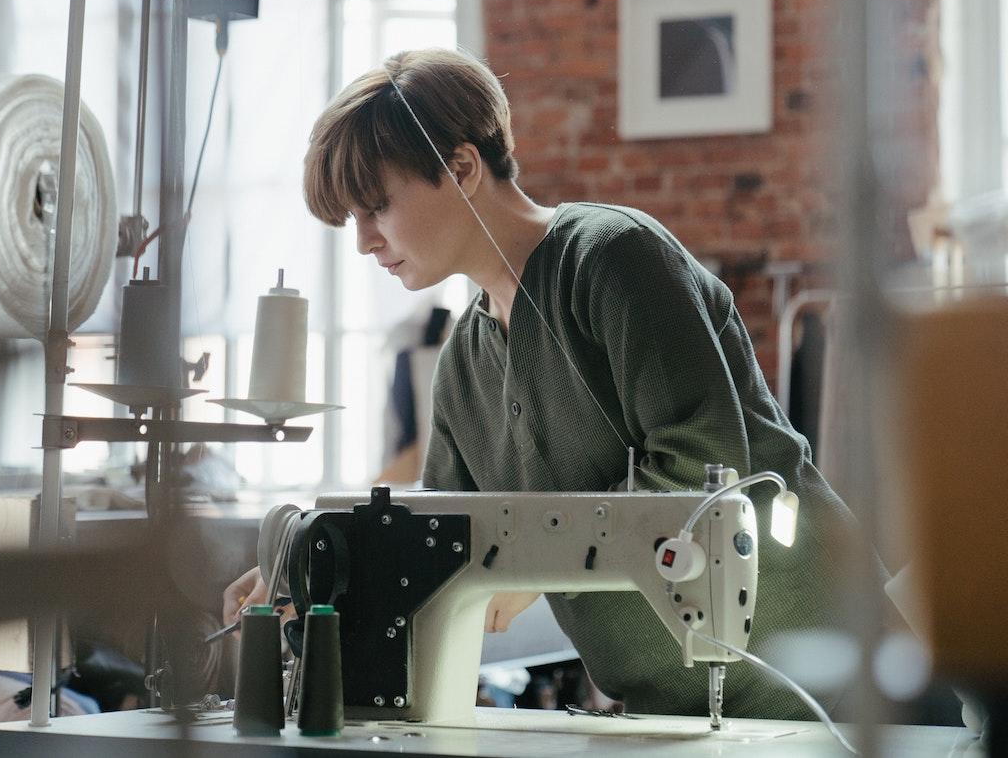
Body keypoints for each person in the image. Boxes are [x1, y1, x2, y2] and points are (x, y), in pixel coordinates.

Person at [224, 47, 871, 719]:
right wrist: (309, 570)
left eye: (376, 206)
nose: (363, 241)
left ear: (462, 167)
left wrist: (530, 559)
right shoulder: (462, 366)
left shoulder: (614, 259)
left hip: (844, 690)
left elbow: (704, 466)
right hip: (674, 717)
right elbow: (431, 550)